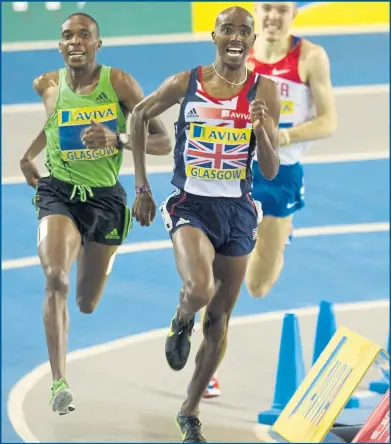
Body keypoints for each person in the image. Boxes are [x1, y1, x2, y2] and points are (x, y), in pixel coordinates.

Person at [130, 6, 280, 442]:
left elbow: (269, 170)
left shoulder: (264, 90)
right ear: (214, 36)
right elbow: (138, 115)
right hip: (190, 204)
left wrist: (264, 131)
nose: (236, 37)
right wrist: (142, 187)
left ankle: (190, 411)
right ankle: (181, 319)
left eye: (244, 32)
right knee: (199, 290)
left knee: (219, 322)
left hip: (236, 211)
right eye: (227, 30)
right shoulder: (187, 82)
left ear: (252, 42)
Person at [19, 12, 171, 415]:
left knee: (86, 302)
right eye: (67, 35)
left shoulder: (118, 83)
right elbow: (54, 124)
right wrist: (27, 156)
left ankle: (100, 253)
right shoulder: (46, 84)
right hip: (59, 193)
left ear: (97, 44)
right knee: (55, 276)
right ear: (59, 45)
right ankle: (59, 383)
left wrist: (117, 138)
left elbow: (161, 140)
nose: (75, 42)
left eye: (84, 35)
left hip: (105, 201)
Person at [202, 1, 338, 398]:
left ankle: (282, 234)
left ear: (293, 14)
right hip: (235, 172)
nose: (274, 16)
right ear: (257, 13)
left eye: (282, 9)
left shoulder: (310, 57)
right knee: (222, 272)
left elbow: (329, 121)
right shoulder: (236, 52)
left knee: (258, 286)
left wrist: (282, 136)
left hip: (281, 174)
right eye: (267, 8)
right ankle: (208, 364)